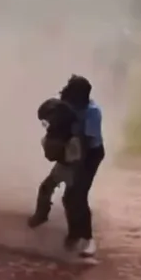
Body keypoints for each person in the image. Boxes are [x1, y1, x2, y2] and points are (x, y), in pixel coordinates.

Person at [59, 75, 104, 258]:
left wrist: (75, 164)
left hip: (90, 155)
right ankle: (73, 234)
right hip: (74, 151)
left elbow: (86, 142)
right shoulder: (68, 104)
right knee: (68, 197)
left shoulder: (92, 111)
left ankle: (87, 239)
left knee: (78, 194)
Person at [28, 97, 82, 229]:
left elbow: (68, 158)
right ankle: (42, 216)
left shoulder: (70, 136)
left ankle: (75, 230)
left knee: (66, 197)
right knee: (49, 189)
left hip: (71, 166)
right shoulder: (69, 130)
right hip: (67, 164)